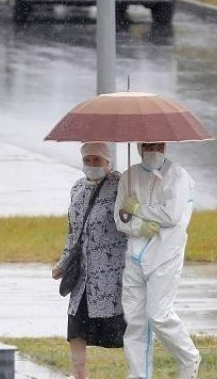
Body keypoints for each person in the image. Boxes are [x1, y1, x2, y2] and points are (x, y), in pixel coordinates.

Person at [115, 142, 201, 379]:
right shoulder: (128, 177)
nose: (153, 150)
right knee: (135, 322)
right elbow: (119, 217)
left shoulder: (178, 176)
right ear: (140, 147)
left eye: (158, 145)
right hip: (135, 256)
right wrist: (137, 226)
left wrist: (139, 209)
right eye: (148, 145)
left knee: (158, 315)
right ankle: (138, 375)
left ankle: (189, 357)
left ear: (165, 146)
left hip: (166, 254)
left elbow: (171, 215)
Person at [53, 142, 128, 379]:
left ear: (108, 162)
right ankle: (79, 374)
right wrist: (62, 264)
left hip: (112, 274)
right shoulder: (77, 188)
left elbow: (130, 222)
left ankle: (138, 371)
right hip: (83, 274)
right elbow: (73, 232)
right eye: (88, 160)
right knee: (76, 326)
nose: (93, 164)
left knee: (123, 328)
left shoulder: (121, 185)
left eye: (98, 160)